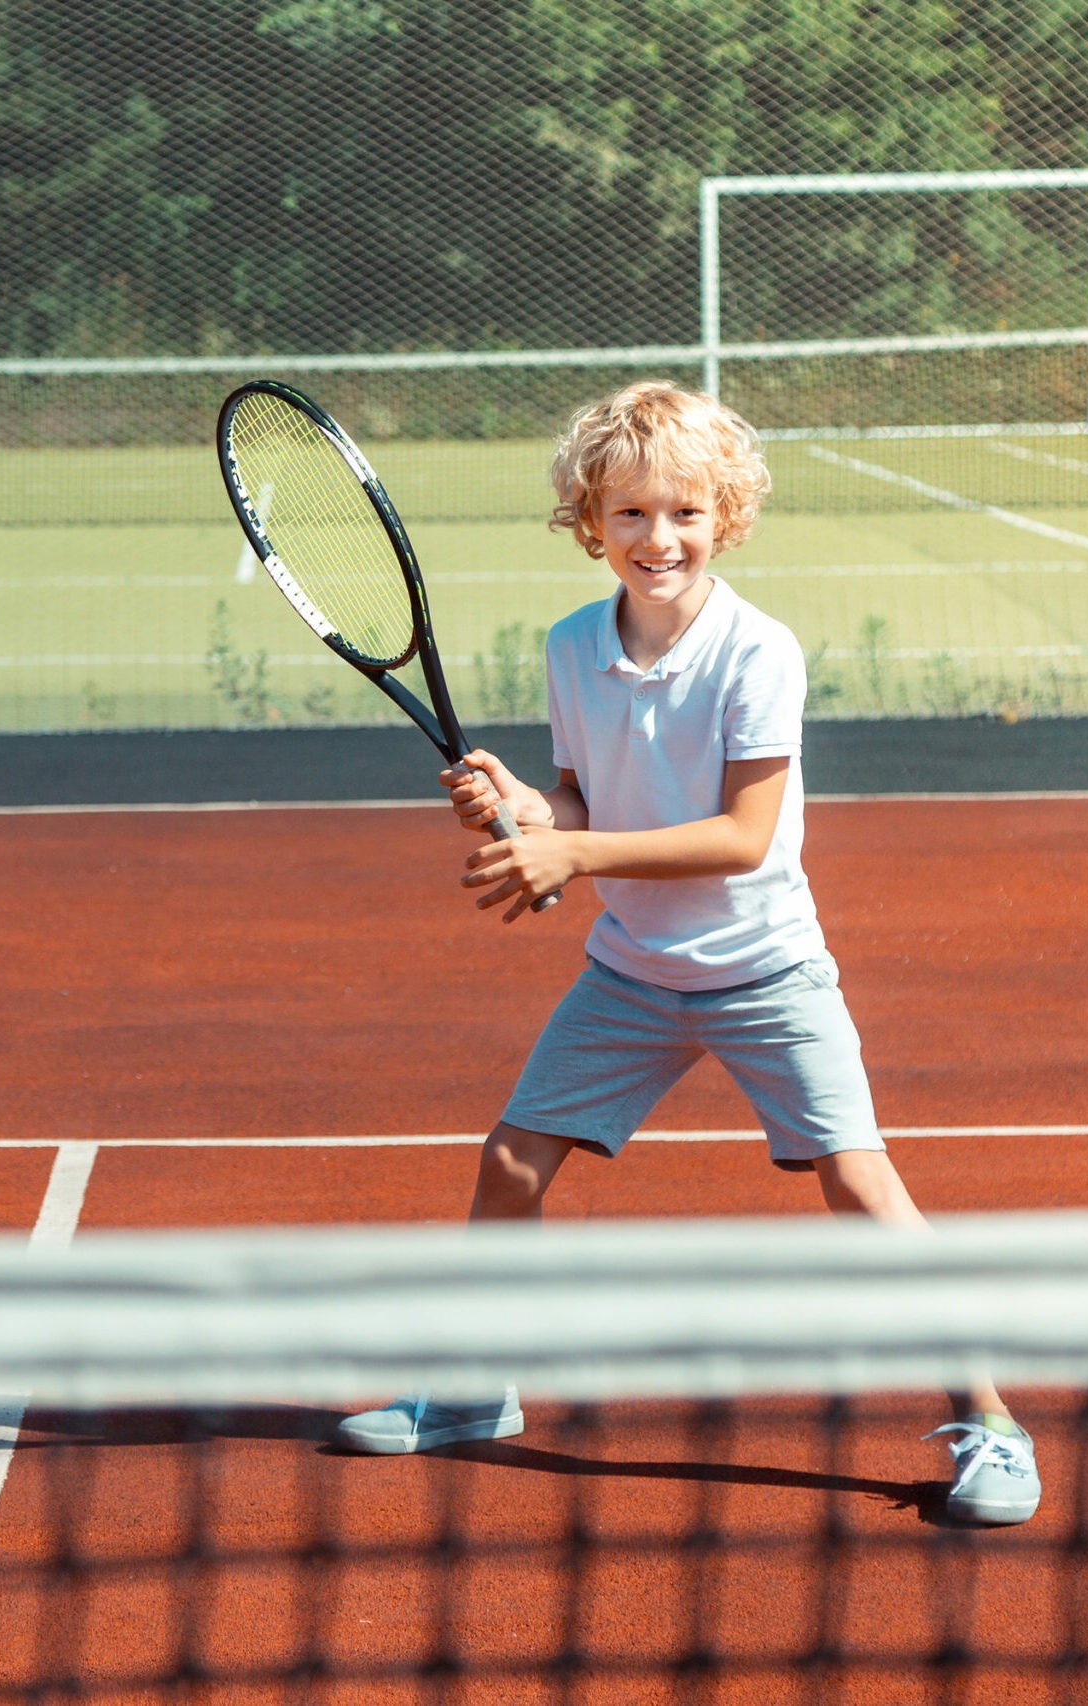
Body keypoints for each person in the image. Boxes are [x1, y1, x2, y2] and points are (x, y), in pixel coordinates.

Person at [336, 380, 1039, 1525]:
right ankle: (469, 1388)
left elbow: (740, 836)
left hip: (767, 969)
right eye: (628, 514)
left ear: (726, 519)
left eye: (683, 514)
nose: (656, 539)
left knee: (858, 1184)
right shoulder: (569, 645)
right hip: (632, 971)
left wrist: (570, 856)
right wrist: (518, 804)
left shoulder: (759, 653)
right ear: (587, 521)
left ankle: (991, 1422)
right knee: (511, 1160)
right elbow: (575, 798)